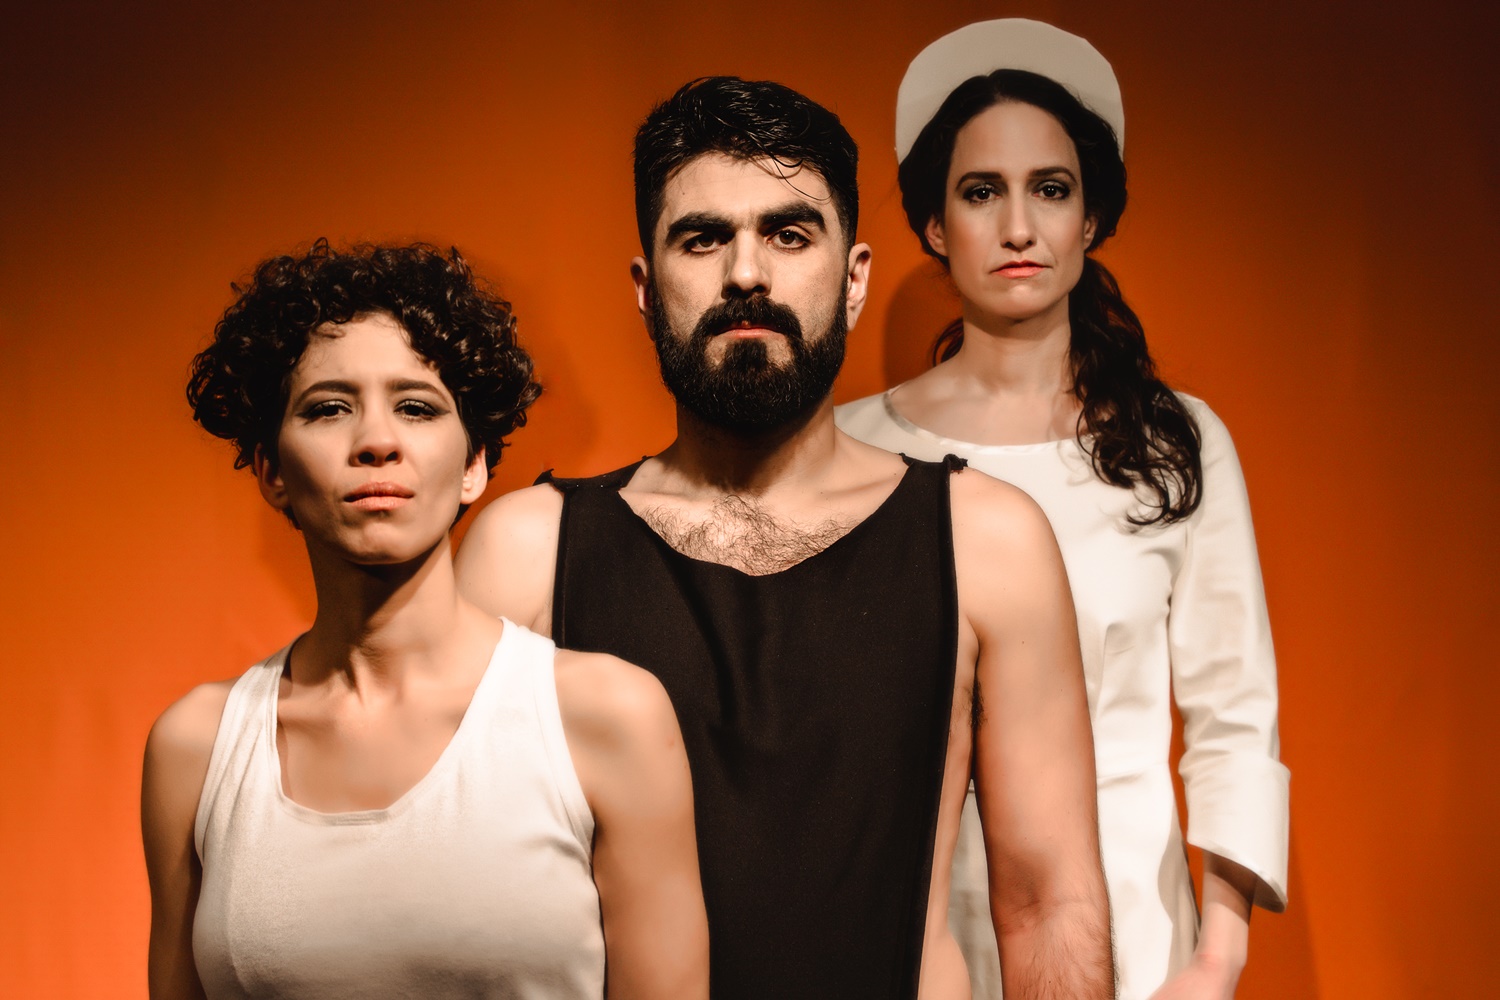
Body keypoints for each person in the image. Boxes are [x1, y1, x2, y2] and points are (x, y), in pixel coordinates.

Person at [455, 77, 1111, 1000]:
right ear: (645, 289)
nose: (746, 275)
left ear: (854, 279)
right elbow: (464, 914)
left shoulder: (987, 542)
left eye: (789, 234)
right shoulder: (527, 551)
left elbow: (1050, 904)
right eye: (702, 238)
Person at [837, 19, 1290, 1000]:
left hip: (1133, 935)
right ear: (933, 224)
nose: (1018, 226)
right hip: (903, 938)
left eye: (1050, 188)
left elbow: (1233, 718)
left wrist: (1217, 960)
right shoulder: (849, 446)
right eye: (980, 191)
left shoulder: (1176, 443)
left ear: (1090, 219)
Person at [141, 241, 708, 1000]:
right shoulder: (198, 749)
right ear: (271, 469)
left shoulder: (606, 717)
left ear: (475, 465)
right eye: (329, 408)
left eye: (416, 407)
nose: (377, 442)